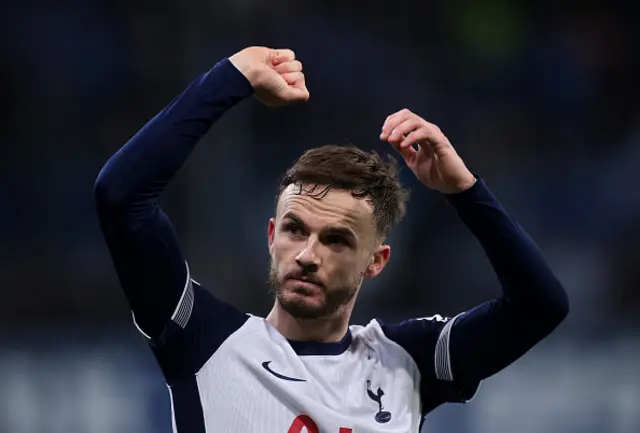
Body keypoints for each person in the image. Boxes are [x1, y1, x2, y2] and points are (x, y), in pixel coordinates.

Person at [94, 46, 569, 433]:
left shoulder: (406, 363)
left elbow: (540, 306)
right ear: (270, 234)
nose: (306, 255)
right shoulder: (203, 340)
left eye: (336, 240)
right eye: (294, 229)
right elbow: (122, 198)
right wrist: (232, 76)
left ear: (376, 261)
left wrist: (464, 191)